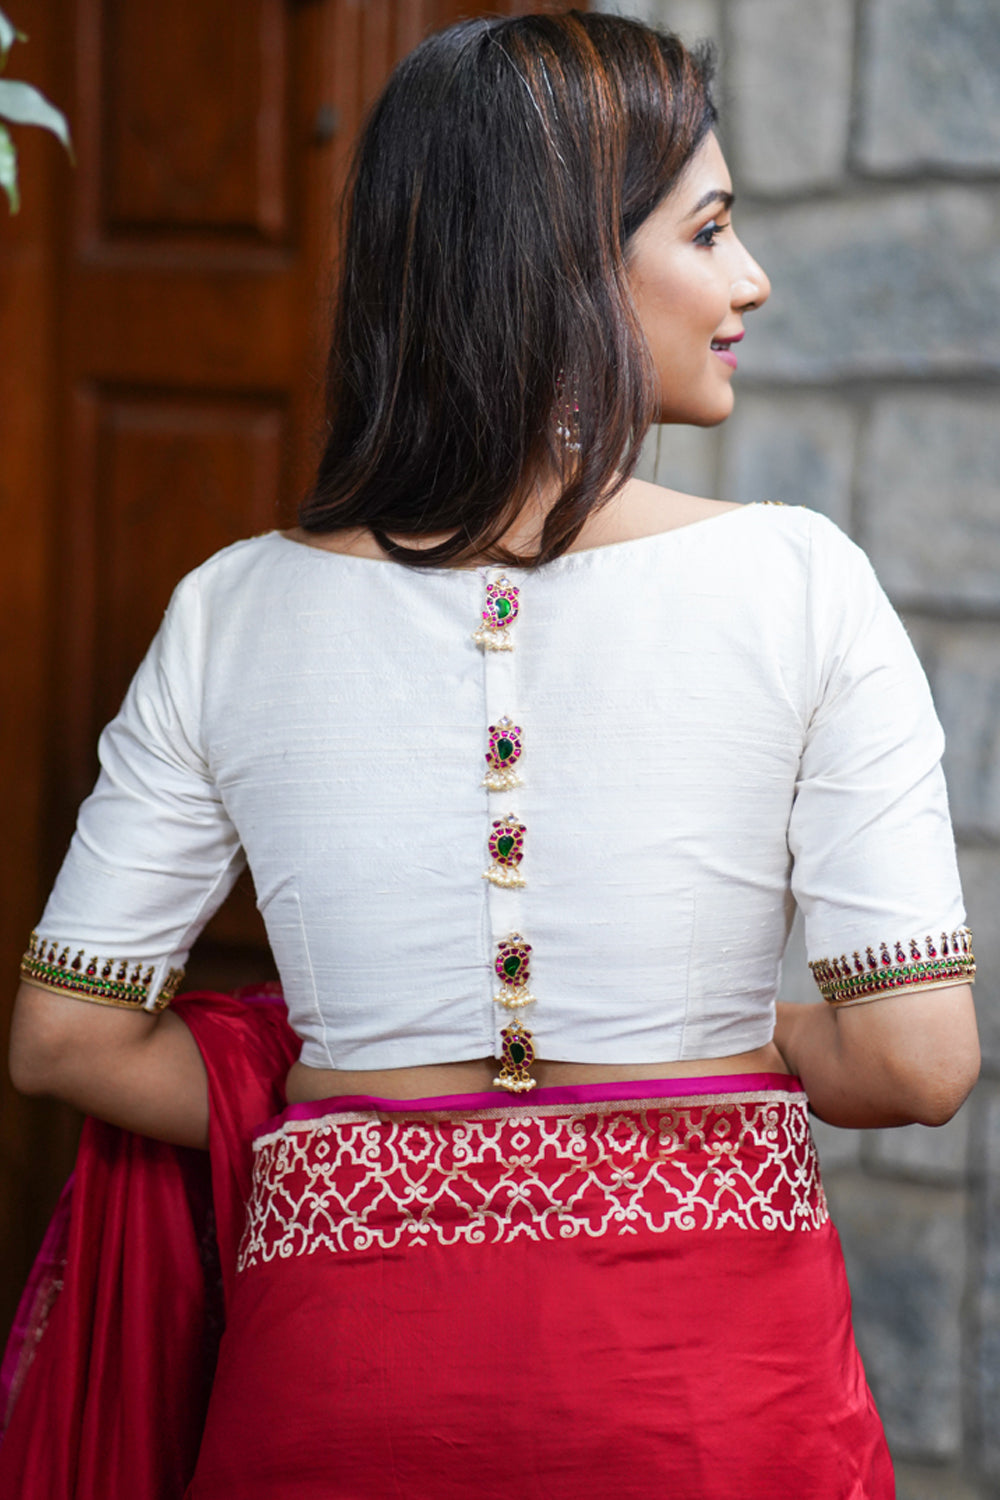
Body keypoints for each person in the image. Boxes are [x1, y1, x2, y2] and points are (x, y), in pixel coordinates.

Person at [5, 11, 979, 1498]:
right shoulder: (802, 582)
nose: (750, 279)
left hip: (338, 1382)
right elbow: (917, 1062)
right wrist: (729, 1047)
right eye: (709, 231)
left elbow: (65, 1036)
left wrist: (340, 1085)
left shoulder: (232, 608)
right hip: (704, 1388)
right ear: (567, 263)